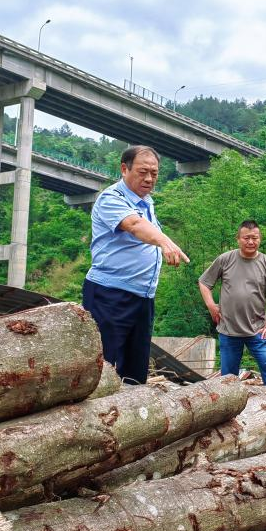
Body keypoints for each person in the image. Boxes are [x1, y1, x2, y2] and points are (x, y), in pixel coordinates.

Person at [82, 145, 188, 384]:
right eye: (142, 172)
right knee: (102, 366)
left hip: (142, 297)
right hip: (110, 295)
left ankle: (131, 416)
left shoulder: (146, 202)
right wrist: (165, 241)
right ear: (124, 169)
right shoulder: (111, 198)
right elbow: (134, 225)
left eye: (154, 173)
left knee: (135, 370)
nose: (149, 178)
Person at [198, 220, 266, 385]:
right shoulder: (225, 259)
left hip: (259, 331)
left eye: (255, 238)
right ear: (238, 239)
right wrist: (211, 305)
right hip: (228, 330)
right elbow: (204, 282)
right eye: (246, 238)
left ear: (260, 239)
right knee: (228, 377)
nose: (251, 242)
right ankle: (228, 409)